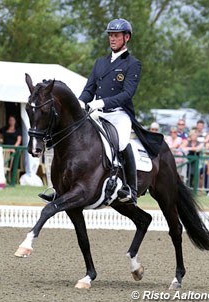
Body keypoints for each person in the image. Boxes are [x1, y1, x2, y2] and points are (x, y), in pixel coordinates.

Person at [77, 18, 142, 204]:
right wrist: (81, 102)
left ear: (126, 37)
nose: (112, 39)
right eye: (110, 35)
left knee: (122, 143)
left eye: (116, 35)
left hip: (119, 114)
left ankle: (131, 189)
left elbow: (127, 94)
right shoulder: (100, 63)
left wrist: (102, 102)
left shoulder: (132, 64)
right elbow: (89, 89)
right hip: (99, 113)